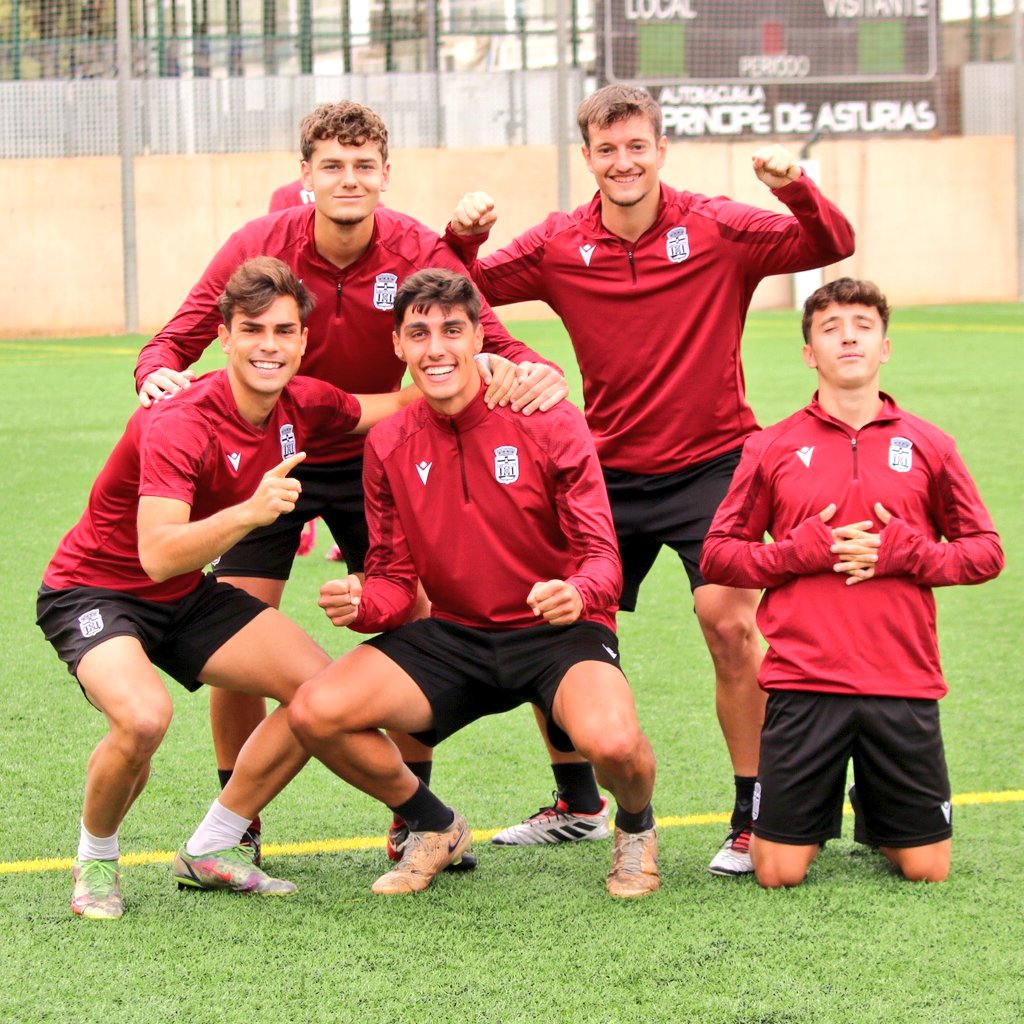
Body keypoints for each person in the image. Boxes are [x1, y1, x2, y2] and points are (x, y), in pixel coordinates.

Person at [134, 101, 568, 863]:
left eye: (364, 166)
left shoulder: (415, 246)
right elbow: (178, 334)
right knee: (238, 634)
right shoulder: (259, 245)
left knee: (413, 628)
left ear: (385, 175)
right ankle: (243, 821)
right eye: (332, 165)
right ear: (305, 176)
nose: (348, 179)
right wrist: (157, 372)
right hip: (273, 462)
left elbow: (490, 334)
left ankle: (412, 818)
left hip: (387, 453)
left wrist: (537, 369)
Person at [443, 83, 856, 874]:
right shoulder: (561, 241)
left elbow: (830, 241)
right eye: (607, 149)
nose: (623, 162)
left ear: (661, 150)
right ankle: (578, 805)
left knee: (729, 626)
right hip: (604, 470)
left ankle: (752, 813)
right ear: (589, 157)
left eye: (637, 146)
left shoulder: (718, 226)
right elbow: (456, 292)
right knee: (552, 622)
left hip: (717, 465)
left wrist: (794, 188)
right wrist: (462, 240)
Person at [37, 257, 415, 919]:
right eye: (252, 329)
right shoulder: (179, 418)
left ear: (303, 340)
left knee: (321, 697)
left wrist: (486, 372)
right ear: (225, 336)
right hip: (96, 591)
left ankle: (213, 846)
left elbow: (389, 405)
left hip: (184, 596)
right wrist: (252, 512)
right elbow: (155, 555)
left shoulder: (304, 403)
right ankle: (96, 860)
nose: (268, 344)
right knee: (143, 718)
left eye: (283, 330)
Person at [288, 269, 660, 898]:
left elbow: (603, 555)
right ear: (399, 347)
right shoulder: (388, 443)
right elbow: (395, 580)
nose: (437, 348)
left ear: (479, 336)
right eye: (419, 333)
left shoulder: (546, 417)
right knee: (314, 711)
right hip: (457, 636)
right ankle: (435, 825)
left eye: (452, 330)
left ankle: (635, 828)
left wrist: (579, 593)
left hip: (557, 633)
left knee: (616, 744)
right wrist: (361, 599)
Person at [700, 277, 1004, 887]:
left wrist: (905, 553)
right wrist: (796, 552)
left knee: (927, 870)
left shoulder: (930, 445)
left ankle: (878, 801)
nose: (848, 338)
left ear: (885, 346)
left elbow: (985, 552)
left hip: (902, 679)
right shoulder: (772, 446)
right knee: (777, 873)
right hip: (804, 681)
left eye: (863, 326)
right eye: (831, 328)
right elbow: (718, 555)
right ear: (810, 352)